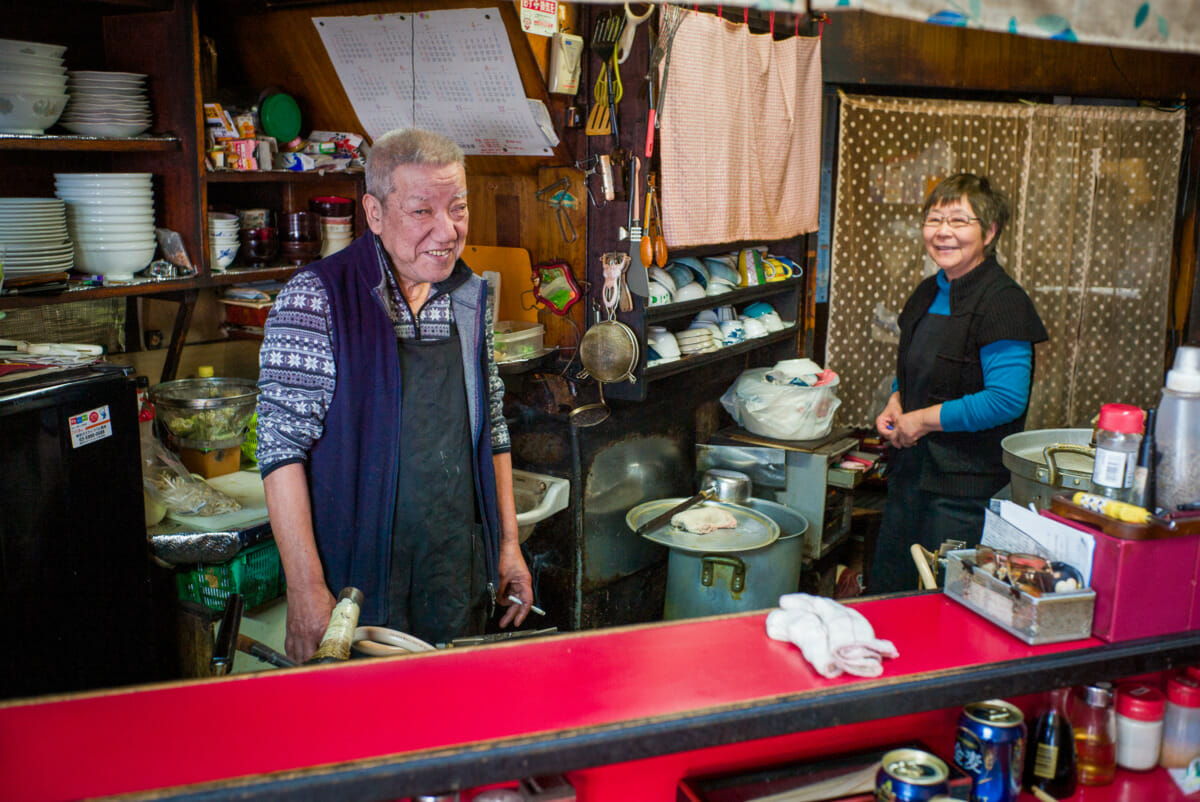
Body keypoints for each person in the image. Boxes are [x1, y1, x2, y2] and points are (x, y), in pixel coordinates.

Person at [256, 128, 533, 661]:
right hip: (354, 585)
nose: (446, 230)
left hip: (452, 567)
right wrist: (305, 589)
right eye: (420, 211)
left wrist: (507, 546)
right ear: (375, 213)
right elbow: (280, 450)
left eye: (457, 208)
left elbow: (492, 429)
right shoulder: (316, 298)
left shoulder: (469, 298)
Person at [869, 173, 1047, 594]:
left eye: (959, 221)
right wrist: (897, 402)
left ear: (990, 231)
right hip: (909, 476)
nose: (943, 232)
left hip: (962, 493)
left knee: (939, 603)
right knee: (889, 592)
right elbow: (913, 365)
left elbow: (1005, 400)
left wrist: (923, 421)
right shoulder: (928, 291)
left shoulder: (1003, 301)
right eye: (934, 219)